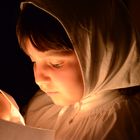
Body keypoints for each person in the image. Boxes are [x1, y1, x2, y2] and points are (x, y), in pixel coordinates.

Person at [4, 0, 140, 139]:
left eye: (56, 64)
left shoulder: (120, 128)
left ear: (101, 53)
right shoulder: (43, 105)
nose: (39, 79)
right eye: (34, 61)